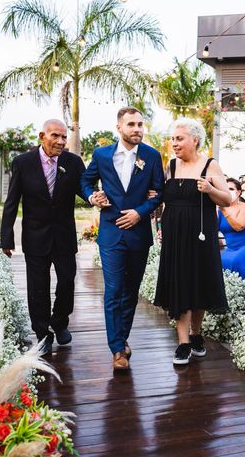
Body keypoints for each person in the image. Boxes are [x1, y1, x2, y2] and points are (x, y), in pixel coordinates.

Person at [81, 107, 164, 371]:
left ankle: (122, 337)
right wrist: (93, 196)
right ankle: (117, 349)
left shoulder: (151, 156)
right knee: (114, 290)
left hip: (139, 234)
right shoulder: (102, 155)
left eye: (140, 124)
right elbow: (85, 181)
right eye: (131, 125)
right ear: (119, 128)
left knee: (131, 291)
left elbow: (159, 193)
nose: (137, 129)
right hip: (111, 232)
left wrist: (140, 213)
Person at [1, 119, 86, 355]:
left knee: (67, 281)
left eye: (63, 137)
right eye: (55, 136)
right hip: (35, 236)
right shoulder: (22, 163)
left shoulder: (73, 162)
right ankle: (42, 333)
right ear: (42, 136)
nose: (60, 141)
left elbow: (86, 189)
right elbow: (11, 202)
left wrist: (98, 197)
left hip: (64, 235)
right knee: (37, 288)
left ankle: (59, 322)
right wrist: (6, 238)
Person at [154, 118, 231, 366]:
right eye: (173, 139)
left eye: (179, 139)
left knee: (199, 283)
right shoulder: (171, 166)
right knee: (180, 284)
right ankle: (183, 343)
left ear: (194, 140)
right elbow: (165, 201)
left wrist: (210, 189)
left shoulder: (210, 165)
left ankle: (196, 334)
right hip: (175, 236)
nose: (174, 144)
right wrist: (161, 225)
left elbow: (227, 200)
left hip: (201, 236)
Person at [219, 178, 245, 280]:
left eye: (231, 189)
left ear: (238, 192)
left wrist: (224, 209)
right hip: (229, 249)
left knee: (235, 261)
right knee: (219, 261)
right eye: (225, 189)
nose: (228, 191)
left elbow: (239, 226)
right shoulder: (219, 209)